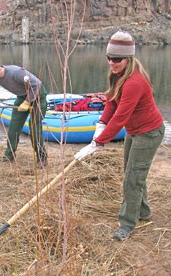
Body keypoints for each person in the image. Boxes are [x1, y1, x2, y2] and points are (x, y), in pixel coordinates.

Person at [74, 30, 165, 241]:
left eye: (117, 59)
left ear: (129, 58)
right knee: (132, 173)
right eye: (109, 58)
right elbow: (112, 103)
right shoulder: (117, 75)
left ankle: (127, 224)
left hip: (149, 133)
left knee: (133, 179)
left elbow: (121, 117)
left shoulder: (135, 82)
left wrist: (98, 142)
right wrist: (101, 124)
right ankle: (143, 212)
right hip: (135, 132)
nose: (112, 63)